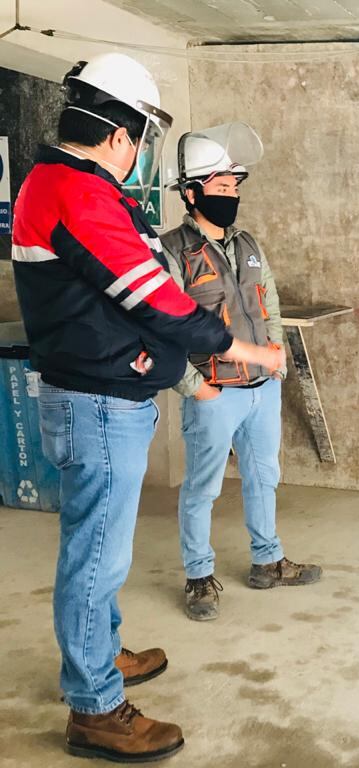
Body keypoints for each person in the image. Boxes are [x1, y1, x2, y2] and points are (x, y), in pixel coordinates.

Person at [11, 54, 284, 763]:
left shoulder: (74, 187)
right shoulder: (76, 191)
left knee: (102, 551)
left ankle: (100, 655)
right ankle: (96, 709)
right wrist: (241, 350)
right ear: (120, 135)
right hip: (98, 404)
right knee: (96, 558)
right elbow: (155, 298)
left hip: (108, 398)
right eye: (141, 138)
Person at [161, 124, 321, 622]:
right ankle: (198, 577)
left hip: (261, 389)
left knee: (263, 476)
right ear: (192, 193)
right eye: (222, 186)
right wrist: (195, 388)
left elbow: (268, 301)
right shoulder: (172, 252)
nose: (231, 195)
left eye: (235, 186)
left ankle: (267, 561)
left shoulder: (247, 243)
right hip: (214, 392)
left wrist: (276, 354)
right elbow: (160, 327)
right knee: (203, 488)